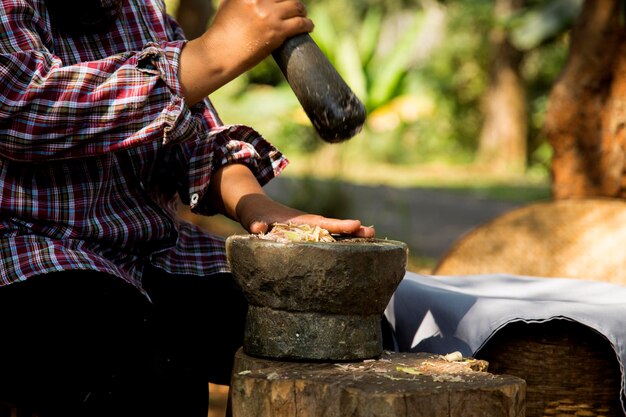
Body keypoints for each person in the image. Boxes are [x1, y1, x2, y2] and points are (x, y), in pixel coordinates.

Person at [0, 0, 375, 416]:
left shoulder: (140, 9)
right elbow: (21, 108)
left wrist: (259, 207)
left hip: (153, 255)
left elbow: (194, 139)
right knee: (151, 379)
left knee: (325, 326)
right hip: (31, 254)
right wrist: (211, 55)